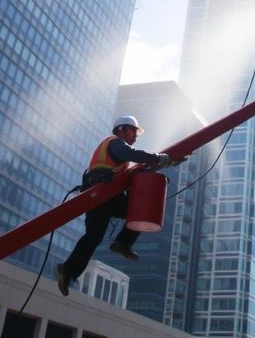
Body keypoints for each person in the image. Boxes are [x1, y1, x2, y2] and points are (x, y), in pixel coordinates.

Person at [56, 115, 174, 296]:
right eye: (133, 131)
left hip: (103, 196)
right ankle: (122, 243)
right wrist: (157, 158)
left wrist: (167, 161)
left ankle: (68, 271)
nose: (136, 136)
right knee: (138, 209)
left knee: (93, 238)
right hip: (105, 193)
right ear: (122, 130)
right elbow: (133, 155)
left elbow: (135, 169)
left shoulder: (117, 154)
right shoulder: (115, 144)